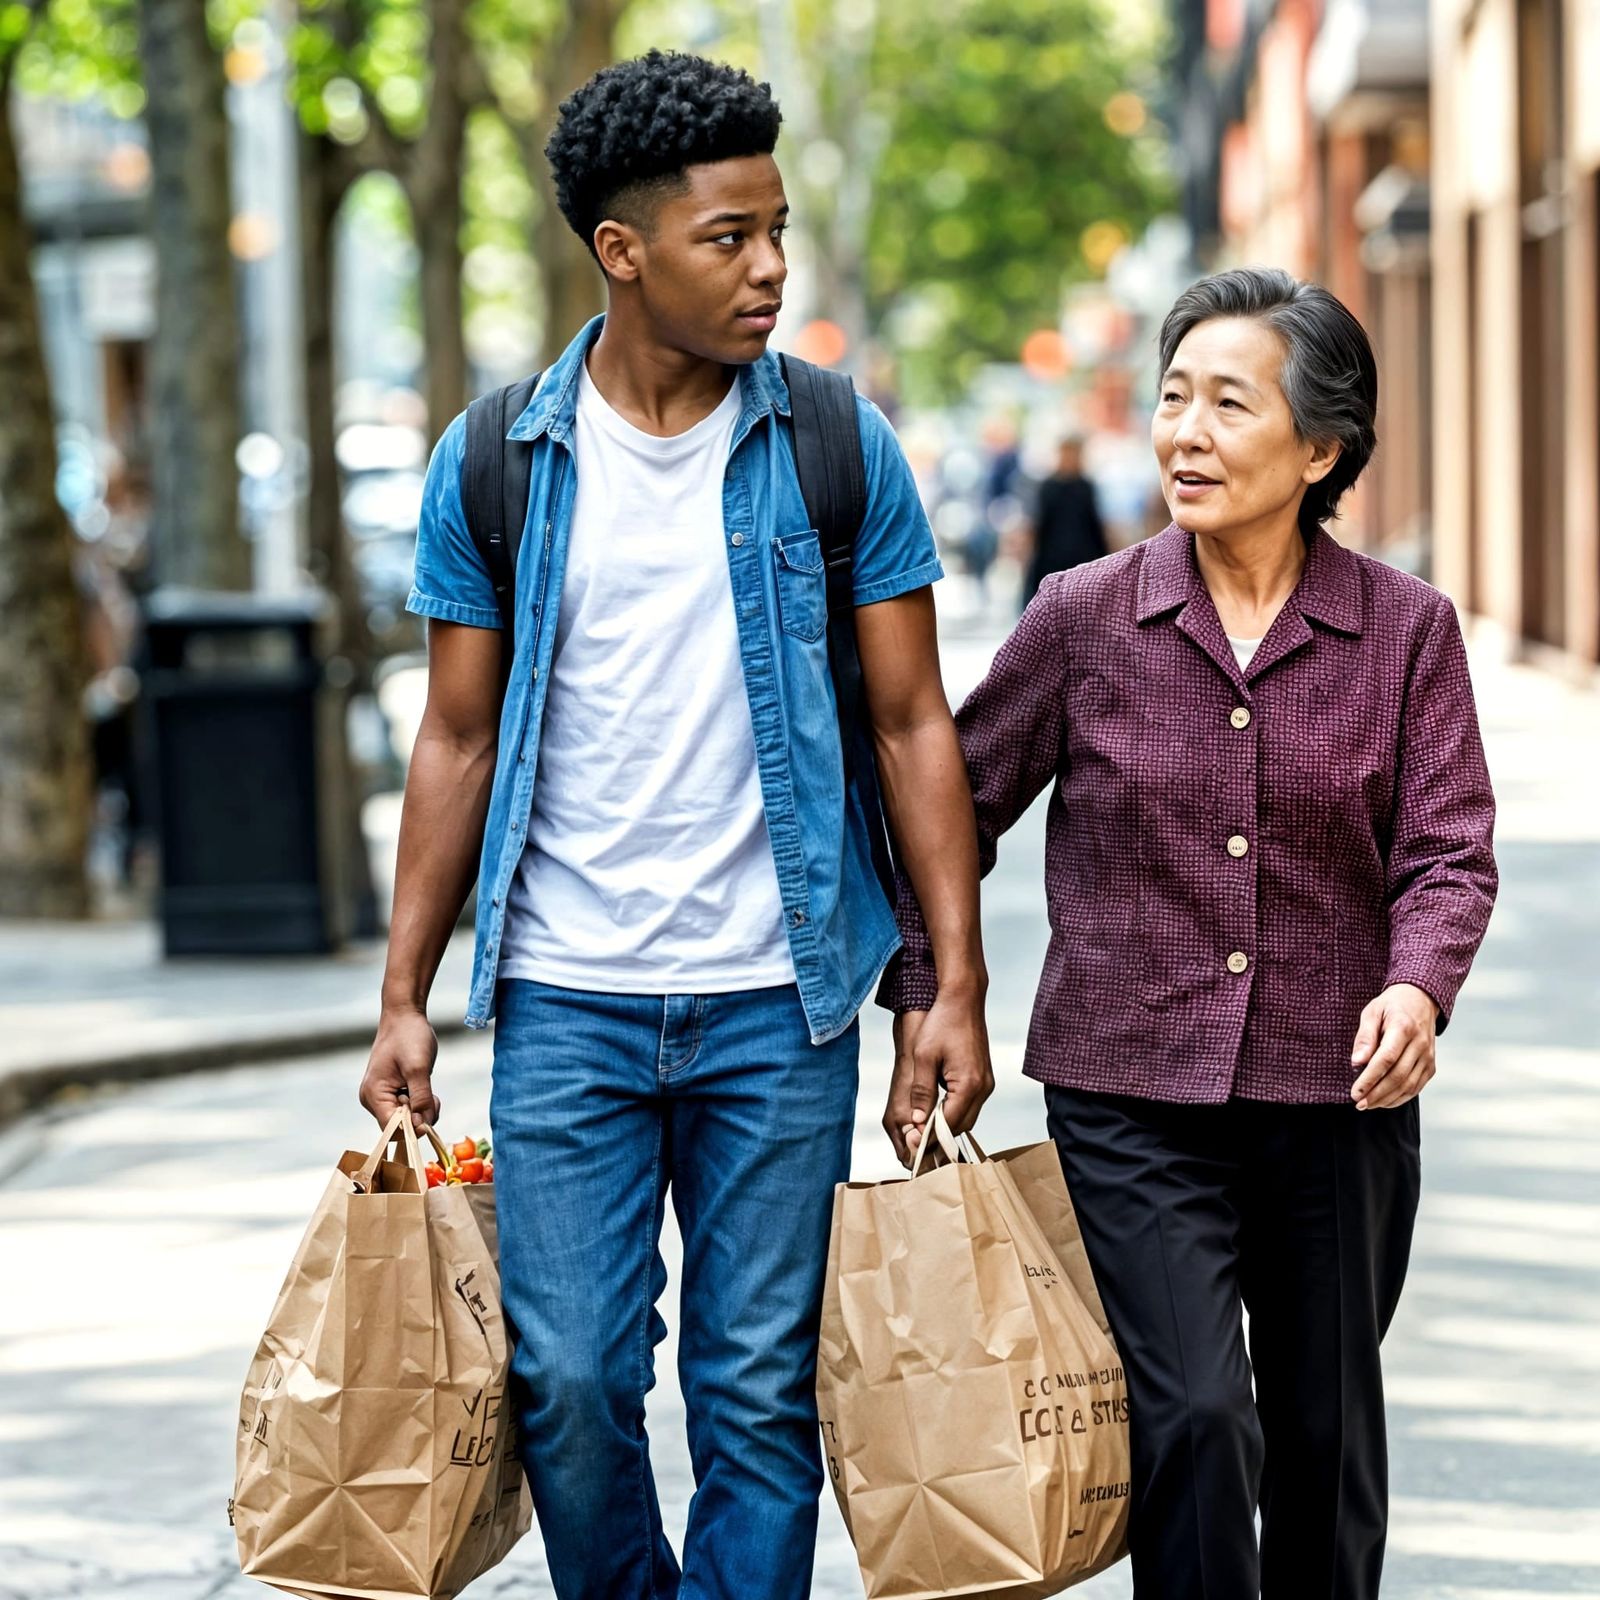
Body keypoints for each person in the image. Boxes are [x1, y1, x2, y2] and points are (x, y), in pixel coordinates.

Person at [358, 50, 993, 1600]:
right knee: (566, 1382)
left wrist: (951, 985)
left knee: (757, 1399)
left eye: (778, 228)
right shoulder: (498, 458)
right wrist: (401, 996)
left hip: (778, 999)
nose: (772, 266)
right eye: (730, 237)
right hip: (569, 998)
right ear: (622, 252)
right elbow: (452, 736)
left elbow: (914, 723)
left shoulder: (837, 446)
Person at [881, 266, 1497, 1599]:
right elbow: (949, 814)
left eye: (1230, 403)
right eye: (1173, 400)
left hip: (1338, 1100)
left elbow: (1448, 853)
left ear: (1320, 446)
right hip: (1129, 1095)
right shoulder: (1082, 619)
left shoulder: (1406, 634)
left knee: (1327, 1441)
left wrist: (1419, 987)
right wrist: (932, 990)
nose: (1185, 434)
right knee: (1201, 1421)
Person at [1021, 435, 1107, 604]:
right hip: (1050, 557)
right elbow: (1039, 524)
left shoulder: (1086, 487)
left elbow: (1094, 524)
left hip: (1082, 556)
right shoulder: (1048, 487)